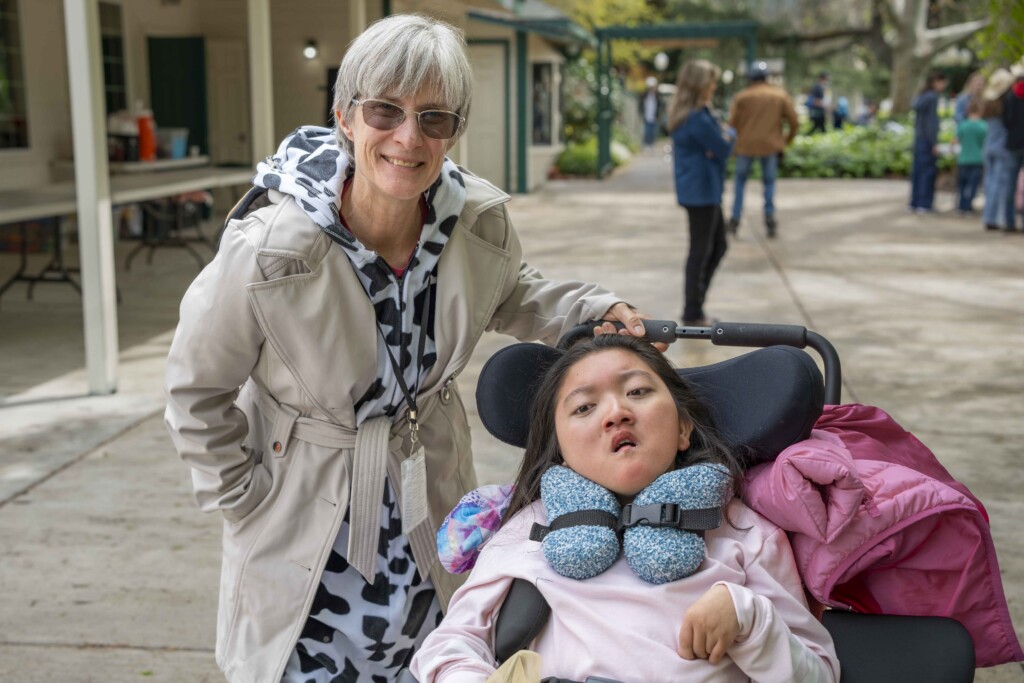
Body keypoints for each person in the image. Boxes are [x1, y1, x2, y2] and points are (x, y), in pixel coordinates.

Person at [163, 14, 654, 683]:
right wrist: (242, 495)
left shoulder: (476, 224)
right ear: (345, 115)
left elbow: (511, 293)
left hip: (432, 501)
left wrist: (593, 309)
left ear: (454, 132)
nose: (407, 136)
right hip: (306, 518)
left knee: (437, 658)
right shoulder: (270, 248)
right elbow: (196, 389)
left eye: (434, 118)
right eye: (385, 110)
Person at [410, 334, 841, 682]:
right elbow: (452, 642)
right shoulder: (531, 529)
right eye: (584, 407)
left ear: (684, 428)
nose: (616, 412)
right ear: (560, 450)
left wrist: (749, 619)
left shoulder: (747, 535)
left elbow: (820, 674)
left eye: (637, 391)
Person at [667, 59, 734, 327]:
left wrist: (722, 139)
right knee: (702, 250)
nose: (714, 86)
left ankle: (695, 307)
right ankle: (693, 311)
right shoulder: (697, 119)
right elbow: (724, 148)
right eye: (711, 82)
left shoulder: (697, 114)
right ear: (700, 85)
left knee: (717, 245)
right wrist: (729, 134)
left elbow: (718, 147)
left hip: (704, 190)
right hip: (701, 192)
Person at [727, 63, 798, 238]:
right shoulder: (779, 95)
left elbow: (732, 123)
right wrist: (785, 141)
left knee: (740, 182)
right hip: (770, 145)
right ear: (767, 78)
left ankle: (735, 218)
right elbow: (794, 122)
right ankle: (769, 217)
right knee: (769, 183)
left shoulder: (742, 97)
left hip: (745, 146)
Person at [909, 70, 948, 213]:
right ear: (936, 82)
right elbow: (931, 122)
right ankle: (925, 203)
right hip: (927, 140)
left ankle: (915, 202)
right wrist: (934, 142)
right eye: (943, 83)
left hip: (919, 138)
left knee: (918, 171)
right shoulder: (932, 97)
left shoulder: (922, 96)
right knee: (928, 172)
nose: (944, 86)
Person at [981, 69, 1015, 231]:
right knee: (1000, 184)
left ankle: (989, 216)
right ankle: (995, 218)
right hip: (1002, 147)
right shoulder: (1006, 102)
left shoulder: (988, 103)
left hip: (989, 146)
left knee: (990, 182)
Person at [954, 99, 987, 214]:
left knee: (962, 184)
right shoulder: (983, 126)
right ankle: (968, 206)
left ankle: (961, 205)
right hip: (977, 159)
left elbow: (956, 140)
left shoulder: (963, 125)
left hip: (963, 159)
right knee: (973, 185)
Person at [1002, 67, 1024, 232]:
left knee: (1010, 184)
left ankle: (1009, 222)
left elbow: (1006, 122)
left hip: (1013, 145)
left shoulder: (1010, 97)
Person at [641, 76, 662, 151]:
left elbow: (659, 106)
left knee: (653, 132)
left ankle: (651, 145)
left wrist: (658, 115)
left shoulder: (657, 96)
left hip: (654, 117)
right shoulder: (645, 95)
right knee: (647, 131)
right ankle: (646, 145)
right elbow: (641, 106)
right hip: (647, 116)